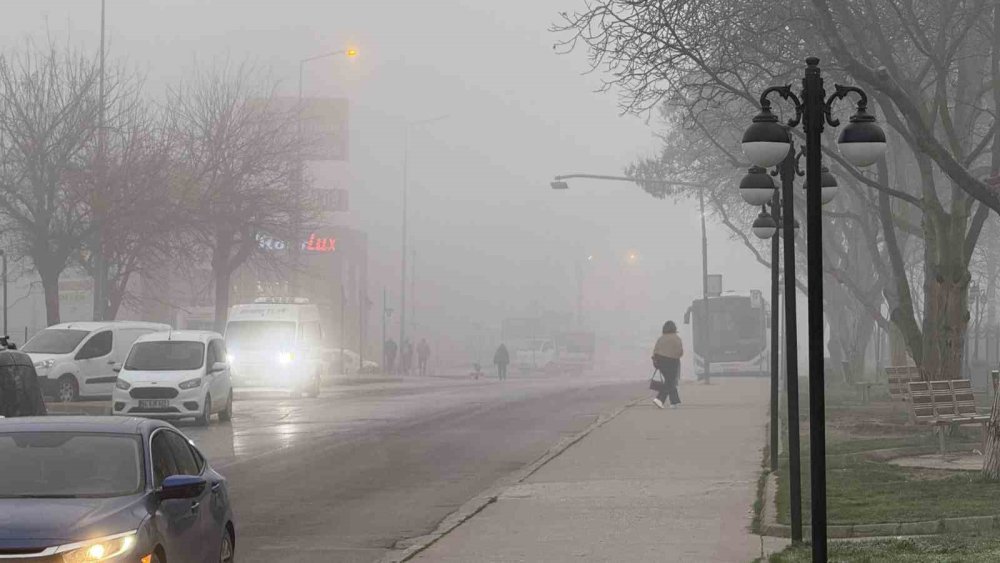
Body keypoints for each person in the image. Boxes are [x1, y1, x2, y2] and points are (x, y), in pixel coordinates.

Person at [651, 320, 683, 409]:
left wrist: (656, 361)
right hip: (672, 362)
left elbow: (655, 351)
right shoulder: (677, 338)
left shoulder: (661, 338)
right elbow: (680, 352)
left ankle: (674, 402)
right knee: (670, 381)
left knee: (670, 381)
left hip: (660, 362)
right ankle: (659, 399)